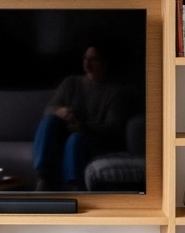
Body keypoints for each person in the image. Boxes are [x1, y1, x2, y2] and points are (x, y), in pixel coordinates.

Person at [33, 45, 127, 190]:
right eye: (85, 59)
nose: (87, 63)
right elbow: (48, 109)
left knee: (76, 139)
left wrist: (83, 127)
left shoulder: (114, 93)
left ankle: (73, 186)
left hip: (92, 140)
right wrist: (59, 111)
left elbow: (114, 129)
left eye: (94, 60)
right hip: (64, 134)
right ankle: (44, 179)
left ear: (104, 63)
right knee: (49, 120)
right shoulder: (71, 83)